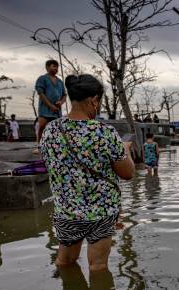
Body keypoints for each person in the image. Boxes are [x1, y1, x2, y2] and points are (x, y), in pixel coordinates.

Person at [39, 74, 135, 272]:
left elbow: (53, 165)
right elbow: (128, 173)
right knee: (98, 266)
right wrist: (125, 149)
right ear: (94, 100)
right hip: (101, 211)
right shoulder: (104, 132)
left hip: (67, 211)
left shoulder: (50, 130)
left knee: (64, 262)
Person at [35, 60, 66, 154]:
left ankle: (55, 146)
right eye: (53, 66)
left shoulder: (60, 81)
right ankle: (40, 146)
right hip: (45, 108)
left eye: (57, 67)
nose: (56, 69)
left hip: (57, 110)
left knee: (56, 128)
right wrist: (50, 105)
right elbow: (40, 93)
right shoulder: (42, 78)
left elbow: (64, 95)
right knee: (42, 126)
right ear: (47, 67)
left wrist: (61, 102)